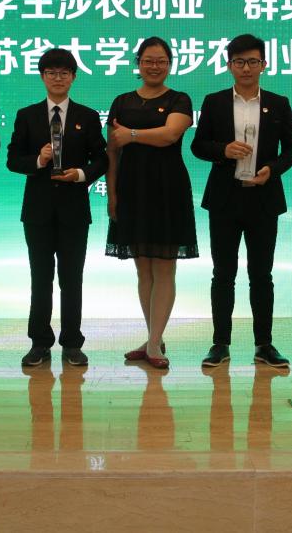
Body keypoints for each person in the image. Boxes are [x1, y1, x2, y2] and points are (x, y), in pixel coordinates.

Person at [191, 33, 292, 368]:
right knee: (223, 274)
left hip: (263, 199)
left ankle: (264, 345)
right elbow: (198, 146)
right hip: (225, 199)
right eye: (239, 62)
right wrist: (223, 150)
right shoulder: (215, 102)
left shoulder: (278, 103)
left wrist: (272, 170)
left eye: (253, 61)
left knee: (261, 274)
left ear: (264, 64)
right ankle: (220, 344)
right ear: (229, 66)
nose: (246, 68)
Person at [6, 48, 108, 367]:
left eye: (64, 73)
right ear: (42, 77)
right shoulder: (27, 115)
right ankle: (39, 343)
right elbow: (13, 160)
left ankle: (72, 343)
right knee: (40, 279)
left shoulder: (87, 117)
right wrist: (38, 160)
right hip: (37, 211)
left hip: (74, 210)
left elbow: (102, 159)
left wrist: (81, 175)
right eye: (51, 73)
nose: (58, 78)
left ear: (74, 77)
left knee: (71, 279)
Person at [105, 37, 198, 369]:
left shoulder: (179, 99)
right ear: (138, 63)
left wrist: (131, 134)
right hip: (131, 190)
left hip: (167, 189)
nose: (154, 66)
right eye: (148, 60)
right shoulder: (122, 101)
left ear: (169, 64)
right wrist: (112, 194)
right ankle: (153, 337)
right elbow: (112, 151)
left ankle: (155, 344)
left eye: (161, 61)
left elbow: (170, 135)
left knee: (164, 266)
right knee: (142, 268)